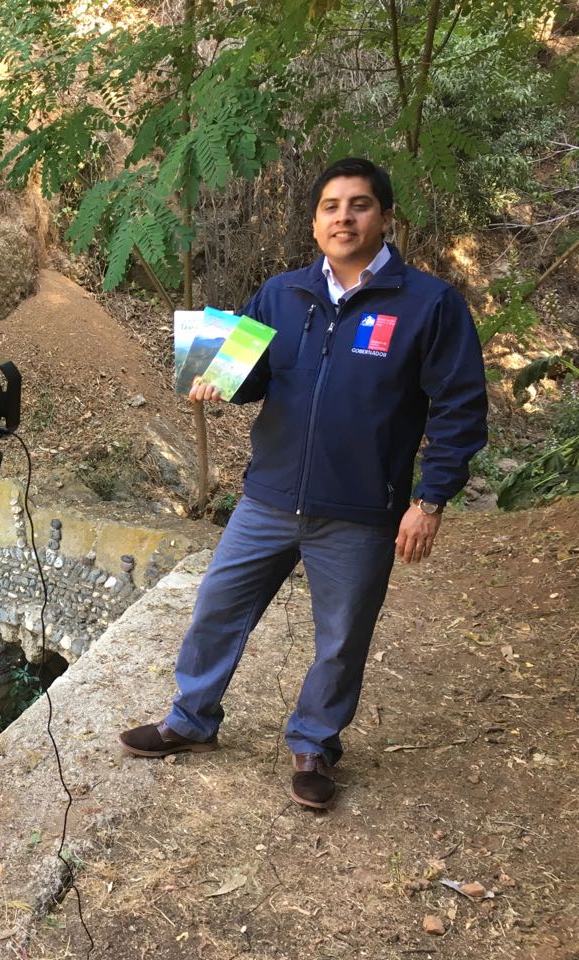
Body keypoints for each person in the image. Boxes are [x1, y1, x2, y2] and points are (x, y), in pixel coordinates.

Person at [119, 157, 488, 810]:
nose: (343, 216)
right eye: (330, 206)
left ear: (386, 217)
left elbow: (460, 408)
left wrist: (428, 500)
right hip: (267, 497)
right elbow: (256, 379)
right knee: (217, 608)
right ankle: (190, 719)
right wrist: (216, 379)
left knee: (342, 638)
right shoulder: (281, 294)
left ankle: (315, 744)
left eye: (360, 204)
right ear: (316, 222)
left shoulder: (430, 305)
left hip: (361, 511)